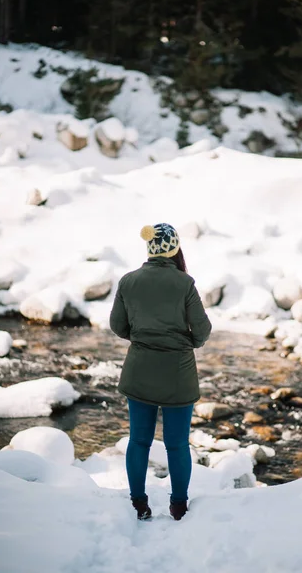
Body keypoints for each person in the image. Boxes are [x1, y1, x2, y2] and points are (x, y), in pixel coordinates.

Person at [110, 223, 212, 521]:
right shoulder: (184, 284)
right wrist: (186, 343)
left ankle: (138, 504)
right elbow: (202, 330)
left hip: (139, 371)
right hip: (177, 375)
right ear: (175, 249)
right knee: (177, 444)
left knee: (138, 441)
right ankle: (178, 506)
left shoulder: (128, 282)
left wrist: (143, 338)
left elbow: (118, 326)